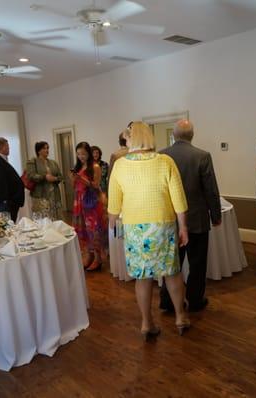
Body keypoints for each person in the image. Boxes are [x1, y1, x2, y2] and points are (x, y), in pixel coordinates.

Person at [108, 121, 190, 340]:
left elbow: (114, 205)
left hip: (135, 229)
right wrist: (183, 228)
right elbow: (179, 200)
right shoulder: (165, 161)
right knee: (172, 273)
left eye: (126, 137)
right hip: (163, 224)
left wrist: (112, 226)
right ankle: (180, 317)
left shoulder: (120, 165)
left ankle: (147, 323)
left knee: (142, 277)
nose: (125, 141)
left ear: (131, 138)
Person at [158, 119, 221, 313]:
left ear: (174, 135)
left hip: (169, 220)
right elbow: (210, 189)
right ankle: (195, 300)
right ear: (192, 135)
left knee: (171, 264)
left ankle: (168, 302)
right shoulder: (202, 156)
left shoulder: (161, 156)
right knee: (197, 263)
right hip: (197, 219)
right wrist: (216, 214)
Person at [71, 141, 106, 272]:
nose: (81, 156)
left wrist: (82, 179)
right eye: (78, 153)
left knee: (93, 229)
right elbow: (74, 186)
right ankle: (89, 256)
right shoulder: (78, 167)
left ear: (89, 154)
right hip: (79, 200)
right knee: (83, 230)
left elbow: (96, 185)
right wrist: (74, 178)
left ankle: (98, 258)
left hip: (91, 201)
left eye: (83, 153)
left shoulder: (95, 166)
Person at [26, 141, 63, 220]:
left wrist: (55, 178)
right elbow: (31, 176)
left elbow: (60, 176)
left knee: (56, 219)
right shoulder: (32, 162)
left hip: (54, 195)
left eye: (47, 148)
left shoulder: (53, 162)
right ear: (38, 151)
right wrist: (44, 177)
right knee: (43, 219)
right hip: (41, 195)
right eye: (44, 148)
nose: (47, 150)